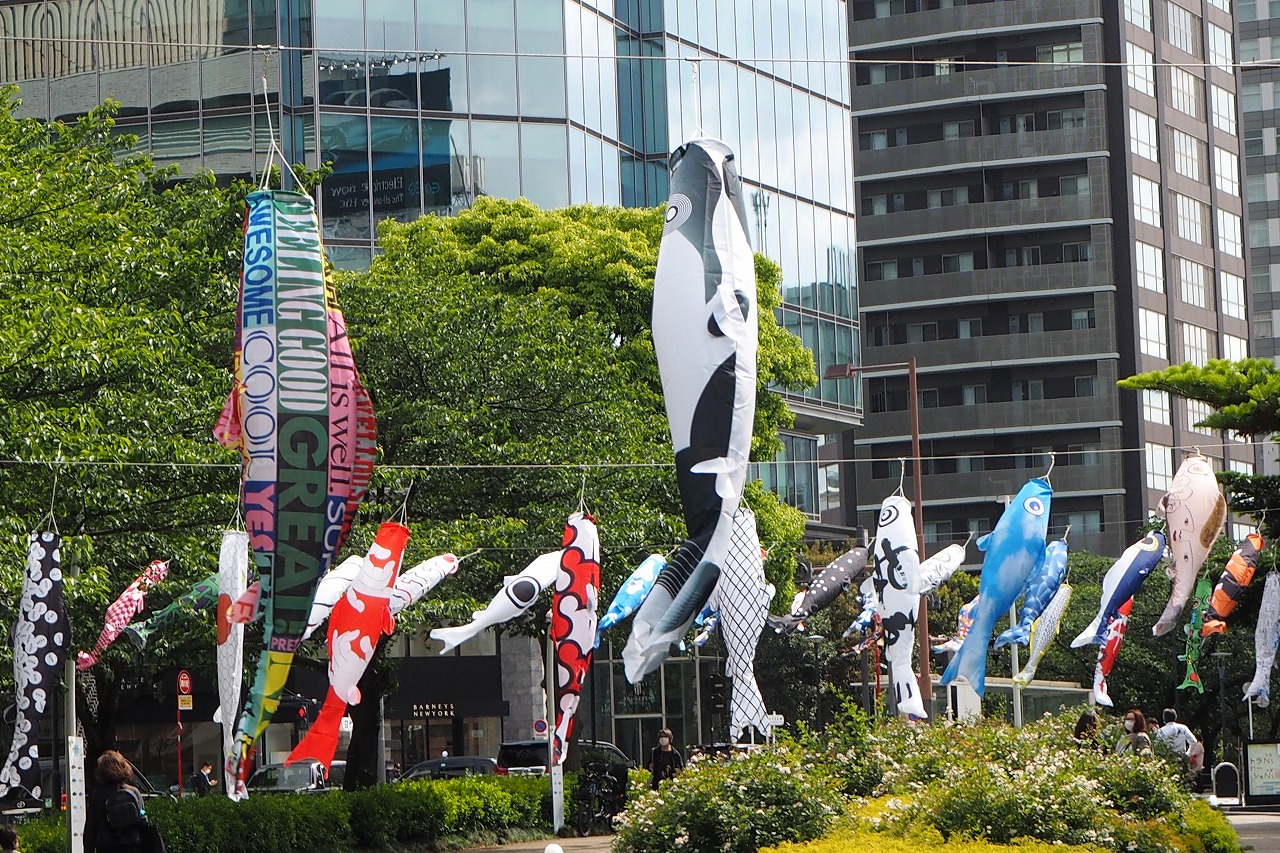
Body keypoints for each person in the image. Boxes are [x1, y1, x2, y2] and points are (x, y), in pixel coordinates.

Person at [84, 750, 164, 853]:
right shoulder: (134, 792)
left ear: (101, 772)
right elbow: (143, 818)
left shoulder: (96, 797)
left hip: (107, 848)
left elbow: (90, 830)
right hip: (133, 846)